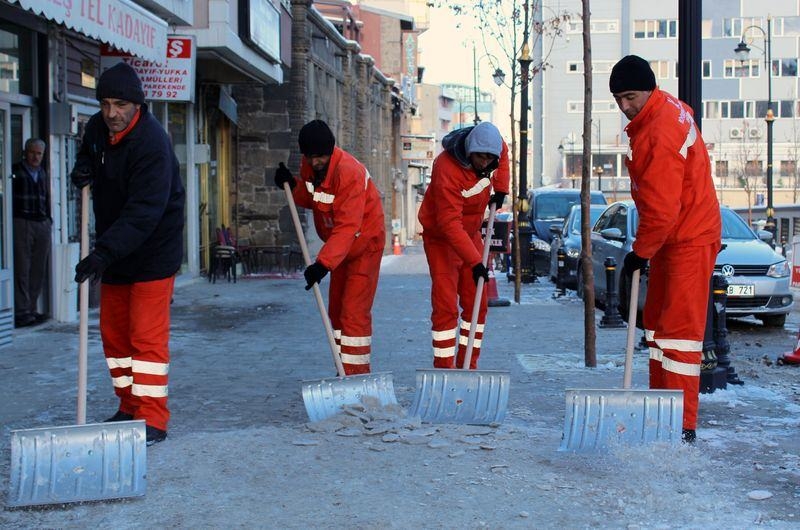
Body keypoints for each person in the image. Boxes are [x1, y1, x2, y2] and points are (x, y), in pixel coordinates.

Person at [70, 61, 185, 446]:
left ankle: (153, 417)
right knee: (115, 336)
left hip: (153, 252)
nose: (111, 113)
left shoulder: (152, 145)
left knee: (146, 337)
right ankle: (129, 405)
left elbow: (144, 212)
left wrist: (102, 253)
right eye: (105, 104)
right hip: (117, 249)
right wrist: (83, 167)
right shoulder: (97, 128)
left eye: (120, 105)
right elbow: (89, 152)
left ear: (137, 104)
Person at [610, 55, 721, 444]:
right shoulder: (663, 111)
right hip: (673, 237)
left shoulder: (658, 131)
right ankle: (662, 411)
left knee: (678, 336)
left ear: (649, 90)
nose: (625, 106)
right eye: (618, 99)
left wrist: (639, 253)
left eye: (630, 97)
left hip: (687, 237)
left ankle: (681, 425)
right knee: (657, 326)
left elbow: (661, 210)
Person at [274, 119, 385, 375]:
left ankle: (357, 376)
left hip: (364, 244)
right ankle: (343, 369)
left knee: (353, 313)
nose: (316, 162)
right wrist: (292, 184)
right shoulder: (310, 167)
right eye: (311, 157)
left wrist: (323, 264)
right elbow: (315, 198)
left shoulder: (349, 172)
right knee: (336, 312)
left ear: (330, 150)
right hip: (339, 247)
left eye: (320, 156)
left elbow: (348, 226)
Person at [417, 121, 510, 369]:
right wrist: (475, 262)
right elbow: (449, 224)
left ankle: (468, 364)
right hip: (441, 240)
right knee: (446, 304)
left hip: (470, 235)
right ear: (470, 150)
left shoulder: (494, 150)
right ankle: (445, 367)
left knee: (476, 302)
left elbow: (503, 154)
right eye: (480, 157)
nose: (485, 163)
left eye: (490, 159)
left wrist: (501, 189)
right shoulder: (446, 168)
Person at [12, 138, 51, 328]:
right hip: (22, 221)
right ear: (25, 153)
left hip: (41, 222)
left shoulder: (43, 173)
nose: (35, 157)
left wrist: (48, 220)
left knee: (38, 268)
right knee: (22, 267)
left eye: (39, 154)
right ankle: (22, 312)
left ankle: (32, 309)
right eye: (32, 153)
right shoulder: (16, 171)